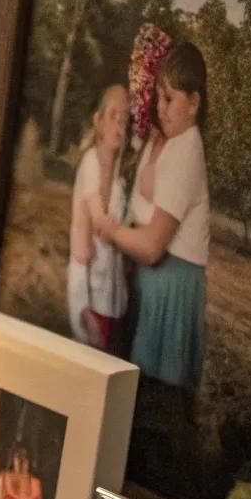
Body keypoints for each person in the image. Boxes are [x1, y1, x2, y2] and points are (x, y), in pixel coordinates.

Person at [96, 42, 209, 393]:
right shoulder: (169, 141)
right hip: (150, 288)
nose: (160, 109)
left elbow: (150, 247)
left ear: (194, 102)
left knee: (156, 401)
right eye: (157, 97)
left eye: (169, 99)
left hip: (170, 292)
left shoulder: (188, 150)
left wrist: (110, 232)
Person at [67, 84, 129, 349]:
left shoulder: (119, 178)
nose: (119, 124)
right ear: (98, 119)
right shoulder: (91, 162)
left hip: (113, 298)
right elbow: (101, 225)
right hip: (90, 296)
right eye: (113, 116)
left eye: (124, 119)